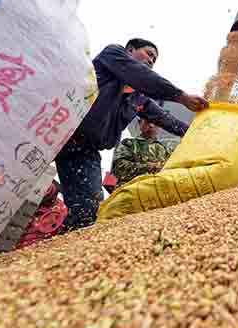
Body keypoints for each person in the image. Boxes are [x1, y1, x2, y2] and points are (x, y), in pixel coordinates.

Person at [56, 38, 208, 231]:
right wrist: (181, 96)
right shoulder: (111, 56)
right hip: (58, 132)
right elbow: (140, 75)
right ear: (130, 50)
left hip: (85, 152)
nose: (152, 61)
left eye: (155, 59)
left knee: (88, 213)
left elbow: (166, 119)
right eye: (149, 54)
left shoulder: (138, 99)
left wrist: (199, 133)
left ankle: (66, 251)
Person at [111, 119, 177, 188]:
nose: (151, 125)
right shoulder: (129, 144)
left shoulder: (165, 150)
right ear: (140, 123)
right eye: (147, 122)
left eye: (155, 122)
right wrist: (148, 167)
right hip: (132, 191)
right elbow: (118, 168)